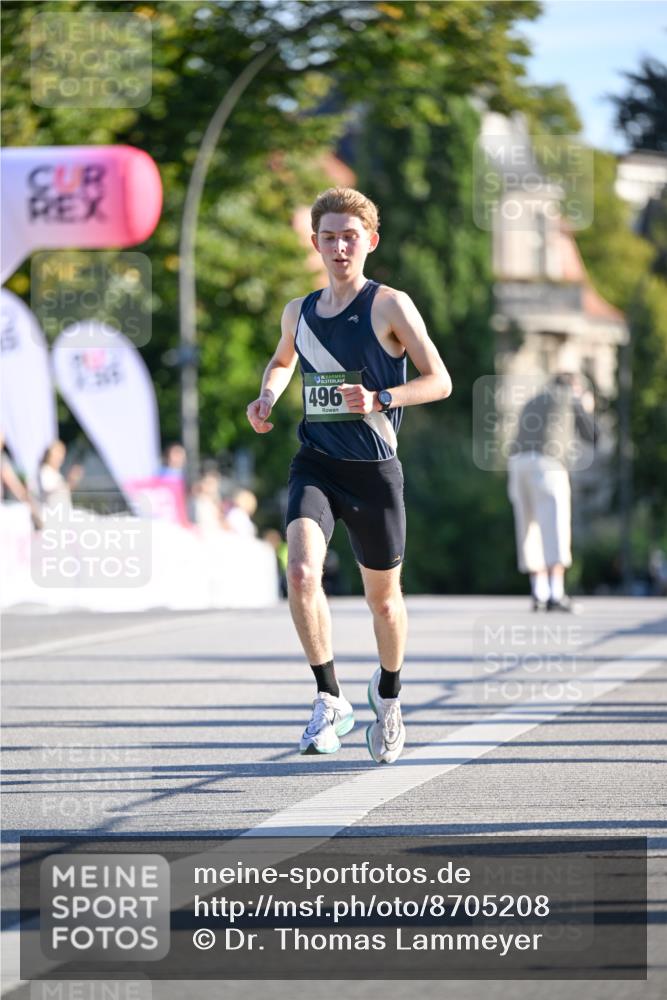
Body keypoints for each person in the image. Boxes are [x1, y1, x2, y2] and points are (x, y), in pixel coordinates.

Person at [246, 187, 452, 763]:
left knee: (384, 602)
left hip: (374, 471)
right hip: (316, 462)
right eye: (329, 237)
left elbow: (441, 381)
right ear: (315, 242)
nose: (339, 247)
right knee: (302, 572)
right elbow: (284, 359)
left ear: (370, 242)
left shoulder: (391, 305)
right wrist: (265, 397)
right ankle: (328, 695)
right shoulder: (299, 311)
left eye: (350, 237)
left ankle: (388, 697)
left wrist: (380, 397)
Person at [507, 372, 596, 612]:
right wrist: (587, 407)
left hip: (517, 463)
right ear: (573, 385)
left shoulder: (532, 400)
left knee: (528, 528)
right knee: (554, 525)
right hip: (548, 463)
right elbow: (592, 435)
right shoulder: (571, 397)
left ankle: (539, 592)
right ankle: (556, 594)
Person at [38, 440, 83, 513]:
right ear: (50, 455)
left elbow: (64, 491)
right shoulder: (45, 471)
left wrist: (72, 481)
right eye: (57, 454)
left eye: (61, 455)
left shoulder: (56, 474)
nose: (60, 458)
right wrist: (68, 481)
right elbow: (49, 489)